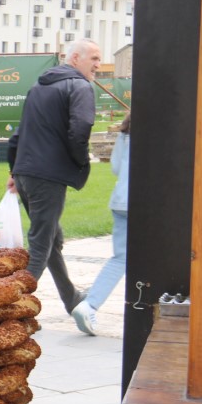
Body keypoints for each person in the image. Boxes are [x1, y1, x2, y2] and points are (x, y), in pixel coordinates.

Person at [7, 38, 102, 315]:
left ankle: (71, 297)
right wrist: (81, 160)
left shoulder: (39, 87)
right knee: (41, 245)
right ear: (75, 59)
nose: (98, 65)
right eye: (94, 58)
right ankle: (7, 308)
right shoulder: (80, 86)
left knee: (52, 239)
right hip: (47, 177)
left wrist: (15, 171)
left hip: (27, 174)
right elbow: (81, 127)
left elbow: (19, 133)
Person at [73, 111, 131, 335]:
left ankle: (90, 305)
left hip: (120, 200)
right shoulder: (160, 131)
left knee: (120, 258)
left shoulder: (125, 133)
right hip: (146, 203)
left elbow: (116, 167)